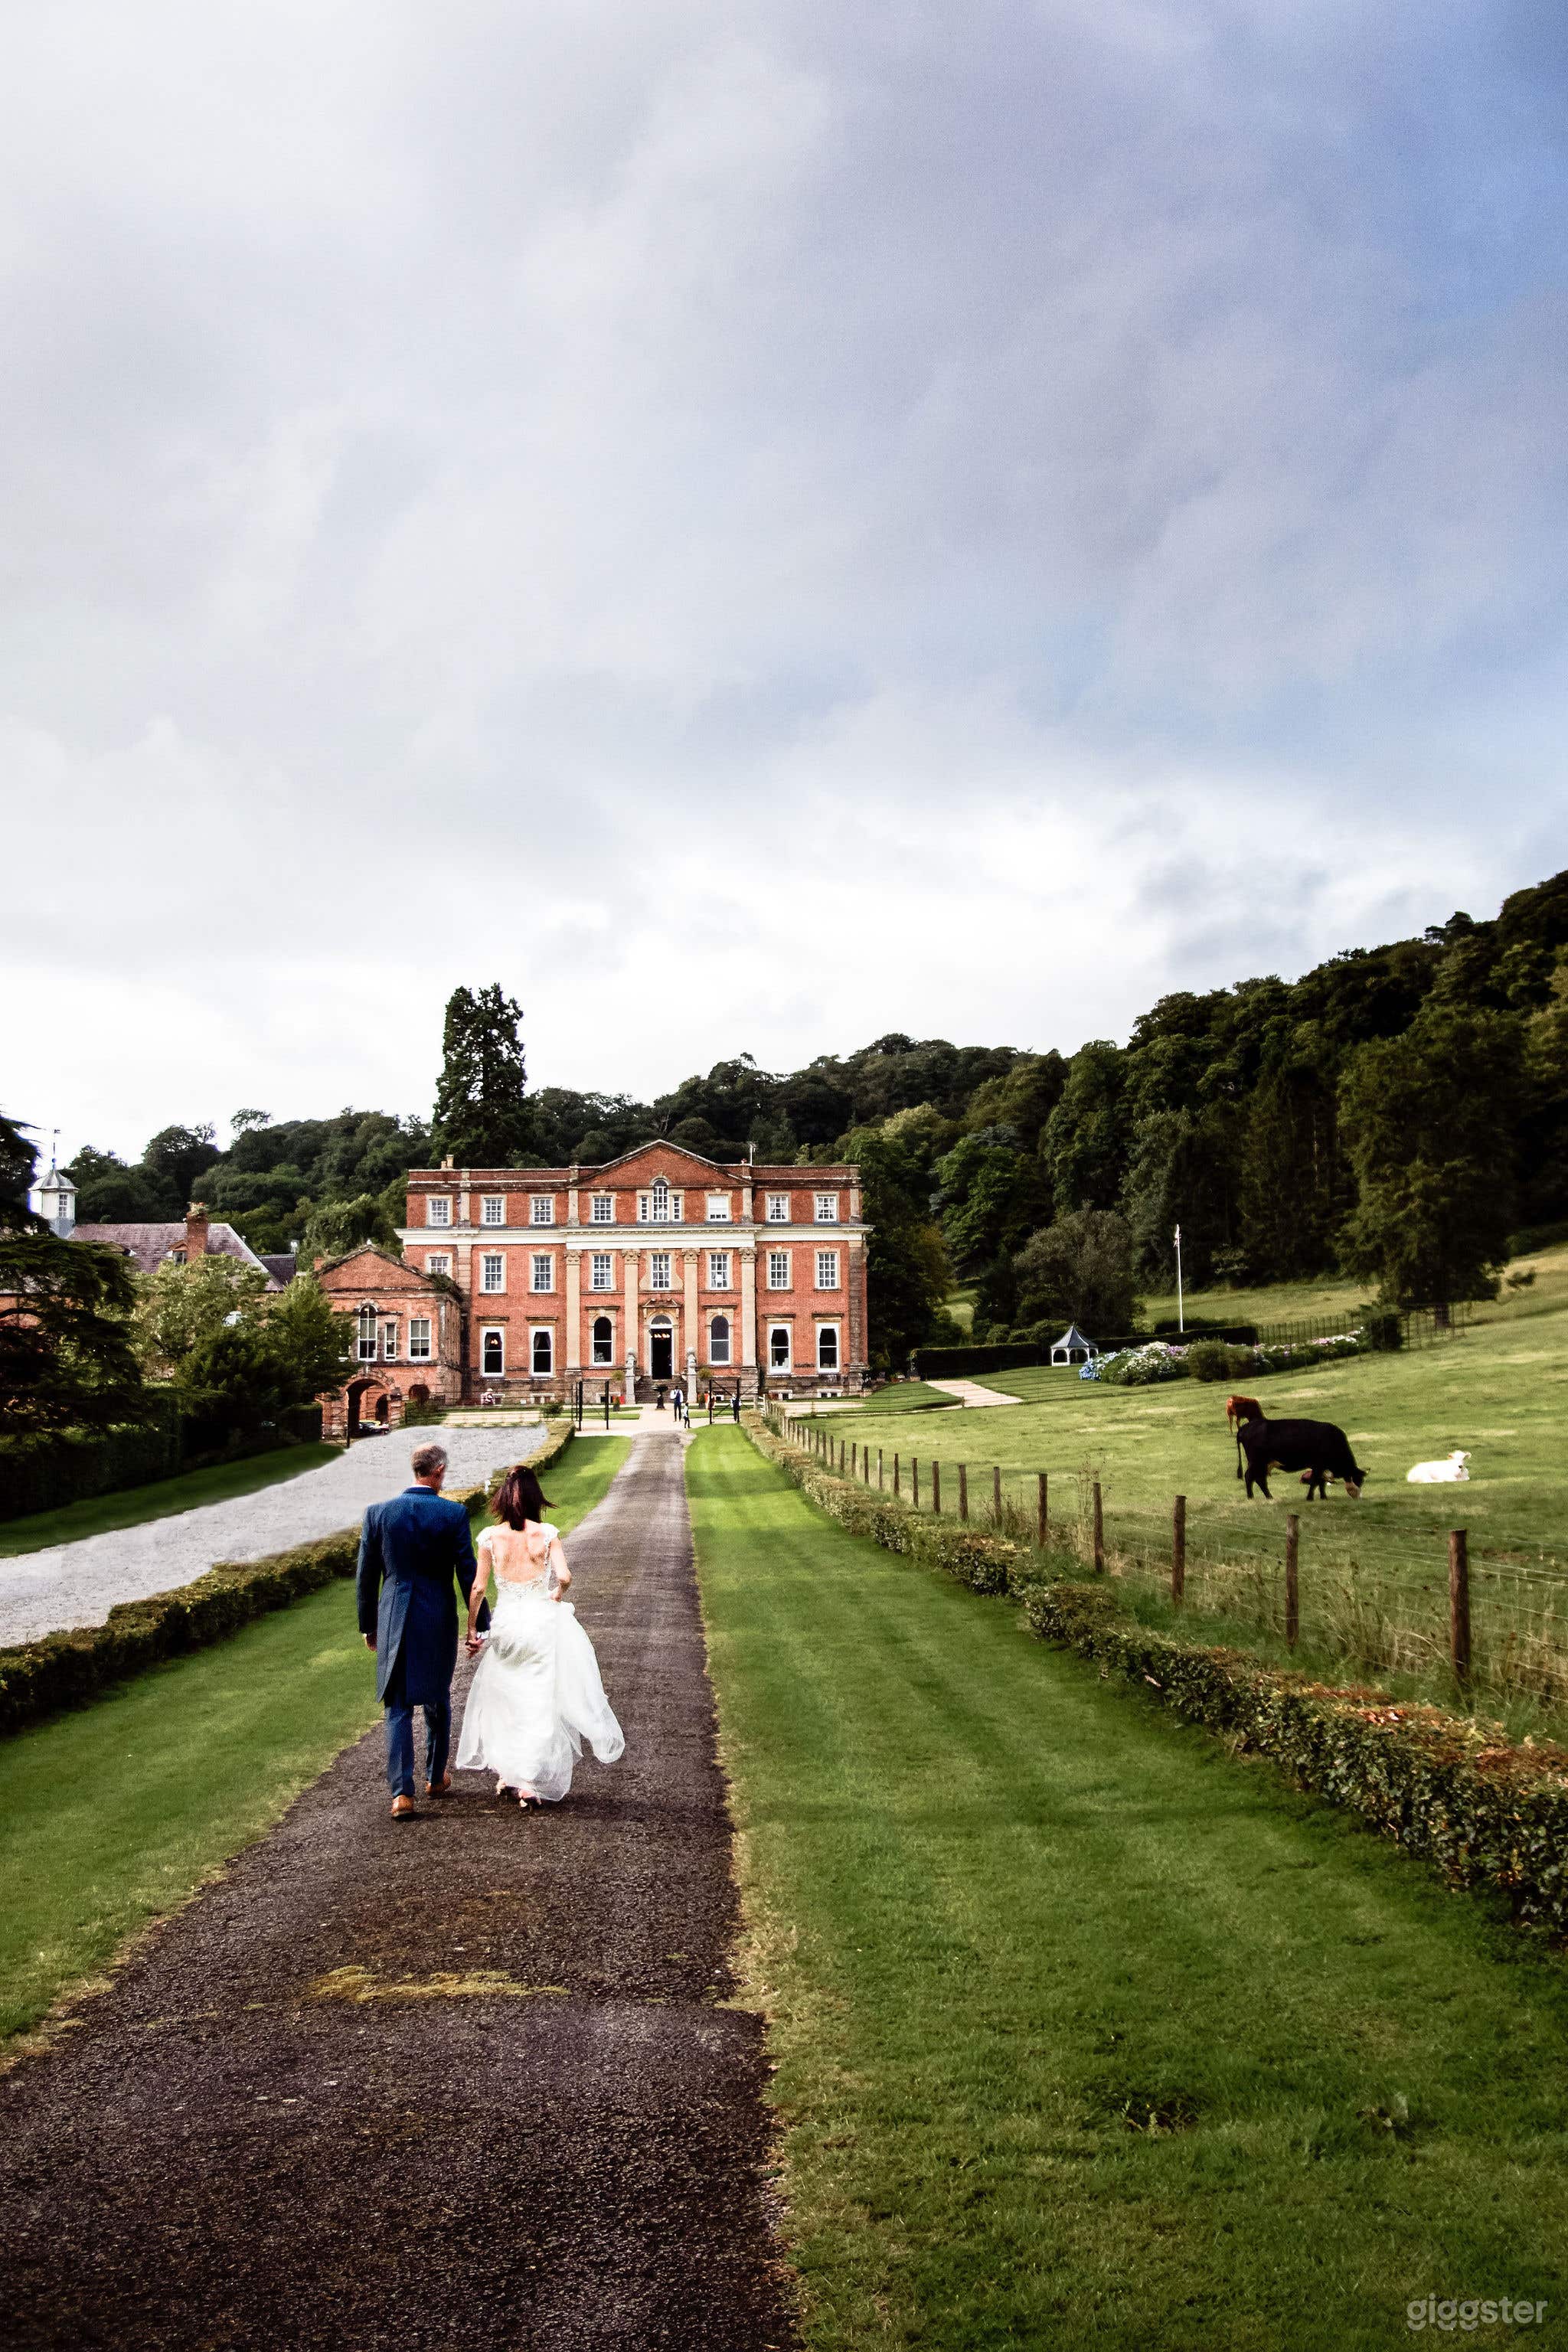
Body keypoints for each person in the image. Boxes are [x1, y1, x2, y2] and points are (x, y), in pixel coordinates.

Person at [456, 1462, 624, 1808]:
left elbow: (477, 1588)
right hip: (540, 1624)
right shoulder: (546, 1534)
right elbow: (563, 1576)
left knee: (506, 1699)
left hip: (507, 1628)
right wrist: (557, 1595)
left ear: (503, 1498)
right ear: (536, 1497)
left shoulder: (490, 1538)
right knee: (537, 1699)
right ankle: (528, 1780)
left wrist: (473, 1628)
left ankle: (508, 1772)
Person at [357, 1440, 489, 1821]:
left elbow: (366, 1578)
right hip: (436, 1614)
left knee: (396, 1706)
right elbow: (468, 1573)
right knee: (437, 1697)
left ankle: (402, 1794)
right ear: (438, 1472)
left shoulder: (378, 1513)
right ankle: (435, 1777)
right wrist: (480, 1624)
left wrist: (369, 1626)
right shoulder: (452, 1514)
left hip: (394, 1615)